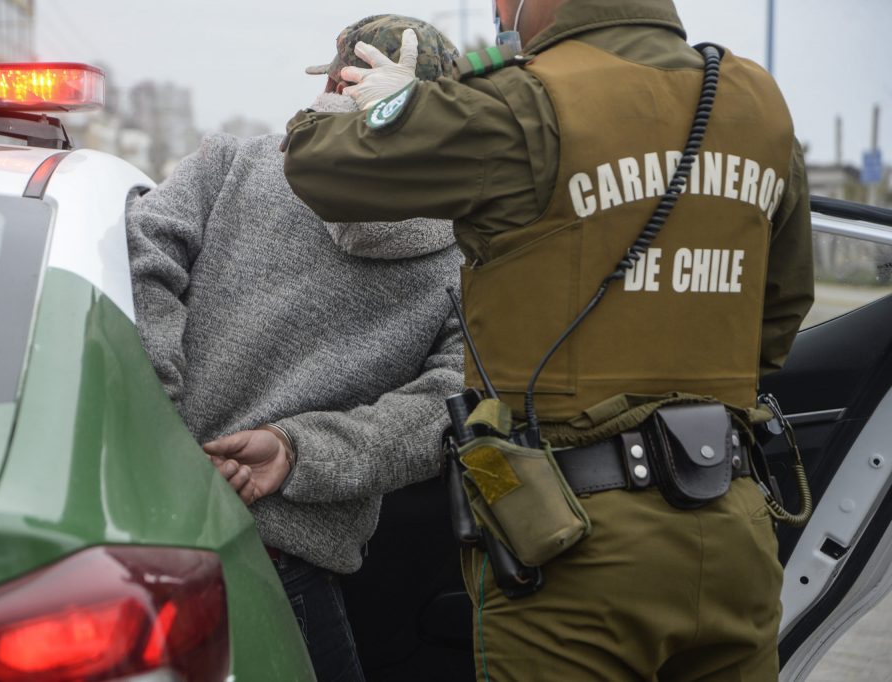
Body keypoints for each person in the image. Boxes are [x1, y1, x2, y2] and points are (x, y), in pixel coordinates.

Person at [281, 1, 814, 680]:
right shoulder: (756, 103)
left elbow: (320, 166)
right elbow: (779, 315)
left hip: (571, 542)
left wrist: (361, 102)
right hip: (736, 527)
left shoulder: (522, 99)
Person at [126, 15, 462, 682]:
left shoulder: (229, 164)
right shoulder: (463, 257)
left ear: (335, 80)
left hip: (141, 531)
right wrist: (299, 451)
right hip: (288, 566)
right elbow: (448, 411)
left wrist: (161, 429)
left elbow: (139, 259)